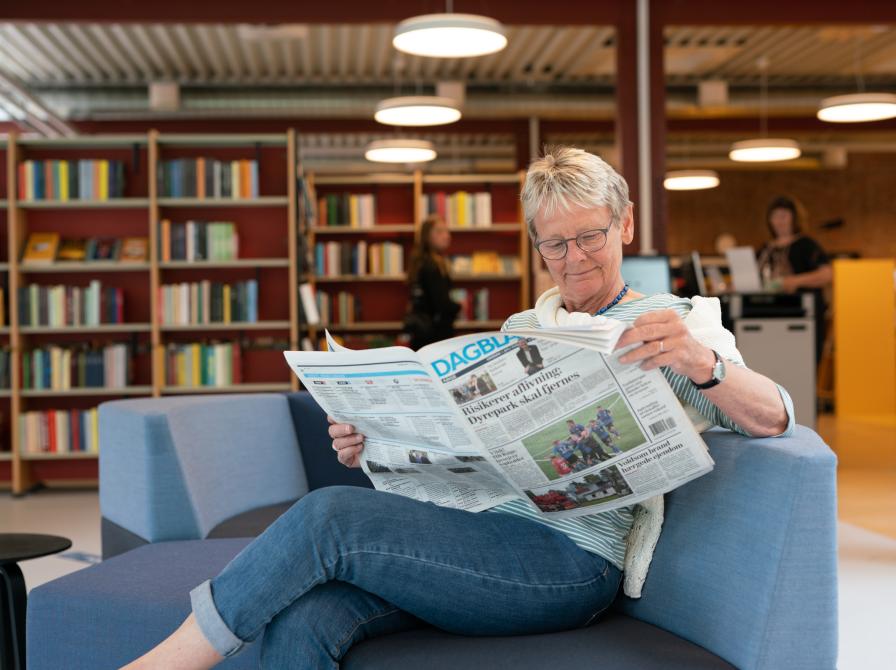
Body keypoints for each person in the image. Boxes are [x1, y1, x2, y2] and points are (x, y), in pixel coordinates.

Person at [122, 147, 793, 670]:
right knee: (311, 614)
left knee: (327, 515)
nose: (574, 261)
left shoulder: (668, 323)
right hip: (483, 537)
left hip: (568, 562)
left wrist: (703, 363)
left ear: (625, 222)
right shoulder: (521, 332)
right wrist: (374, 440)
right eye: (553, 245)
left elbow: (776, 415)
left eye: (588, 237)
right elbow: (465, 453)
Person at [756, 195, 832, 363]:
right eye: (774, 216)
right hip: (768, 317)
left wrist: (793, 282)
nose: (779, 221)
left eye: (783, 216)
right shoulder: (765, 249)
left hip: (802, 317)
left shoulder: (806, 245)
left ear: (794, 218)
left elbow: (826, 274)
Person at [404, 214, 461, 350]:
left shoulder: (421, 262)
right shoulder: (432, 265)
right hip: (435, 337)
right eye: (440, 231)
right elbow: (442, 304)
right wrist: (459, 307)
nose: (447, 236)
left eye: (447, 231)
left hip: (422, 334)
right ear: (427, 236)